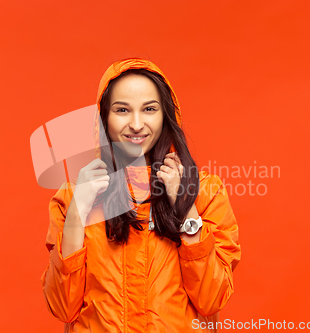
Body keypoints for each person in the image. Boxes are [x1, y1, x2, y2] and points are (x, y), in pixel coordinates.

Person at [41, 58, 241, 333]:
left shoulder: (204, 191)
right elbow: (62, 307)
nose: (136, 124)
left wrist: (185, 207)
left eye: (149, 109)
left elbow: (211, 299)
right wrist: (77, 213)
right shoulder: (73, 195)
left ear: (165, 115)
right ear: (104, 117)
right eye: (122, 110)